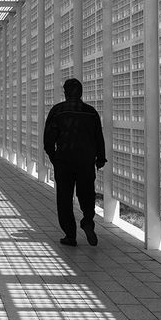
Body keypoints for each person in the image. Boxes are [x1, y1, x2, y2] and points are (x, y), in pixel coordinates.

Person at [43, 78, 106, 247]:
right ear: (81, 93)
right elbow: (98, 137)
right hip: (86, 161)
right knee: (87, 194)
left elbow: (48, 138)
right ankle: (87, 221)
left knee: (64, 198)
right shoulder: (91, 112)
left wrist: (54, 157)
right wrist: (100, 158)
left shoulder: (58, 111)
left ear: (65, 93)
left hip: (64, 161)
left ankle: (70, 235)